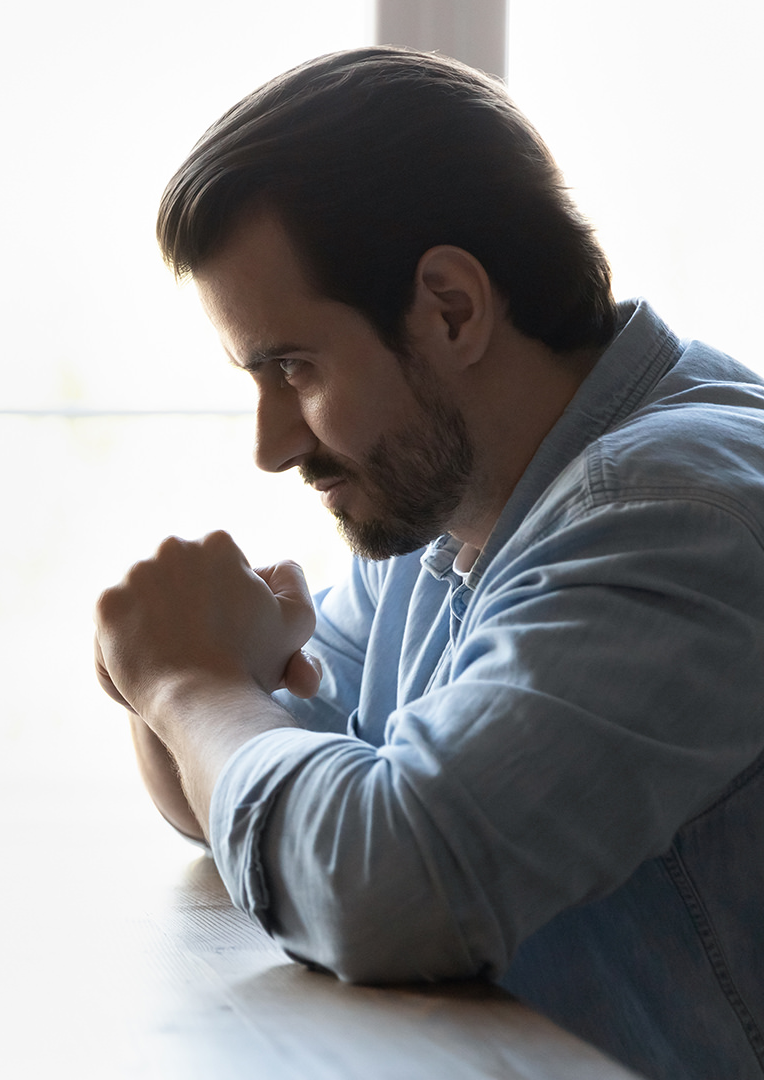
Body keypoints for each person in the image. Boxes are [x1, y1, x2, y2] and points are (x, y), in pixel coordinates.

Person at [92, 47, 764, 1079]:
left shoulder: (674, 515)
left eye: (294, 368)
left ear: (451, 308)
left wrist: (186, 679)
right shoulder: (446, 499)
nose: (270, 445)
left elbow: (385, 889)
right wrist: (182, 688)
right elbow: (267, 815)